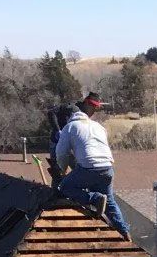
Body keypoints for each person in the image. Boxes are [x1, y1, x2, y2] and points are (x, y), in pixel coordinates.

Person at [53, 93, 130, 239]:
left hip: (89, 168)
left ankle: (95, 198)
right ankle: (124, 231)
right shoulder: (98, 127)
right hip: (107, 168)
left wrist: (62, 171)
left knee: (65, 187)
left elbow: (61, 153)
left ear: (70, 116)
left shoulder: (70, 126)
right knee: (110, 201)